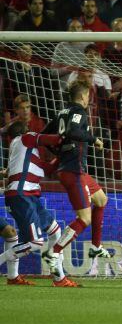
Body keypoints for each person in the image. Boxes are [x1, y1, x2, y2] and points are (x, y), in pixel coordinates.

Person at [42, 82, 112, 277]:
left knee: (101, 200)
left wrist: (59, 150)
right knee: (84, 218)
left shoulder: (61, 113)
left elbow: (44, 136)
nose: (89, 99)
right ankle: (53, 251)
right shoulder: (79, 111)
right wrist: (93, 138)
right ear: (83, 96)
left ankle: (96, 246)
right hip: (73, 170)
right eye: (88, 96)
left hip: (76, 169)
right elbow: (73, 131)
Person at [0, 121, 79, 287]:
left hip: (29, 196)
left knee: (55, 231)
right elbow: (53, 139)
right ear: (26, 131)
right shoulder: (26, 138)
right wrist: (71, 135)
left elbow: (48, 169)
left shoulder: (23, 152)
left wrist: (63, 156)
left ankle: (59, 278)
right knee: (36, 243)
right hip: (22, 196)